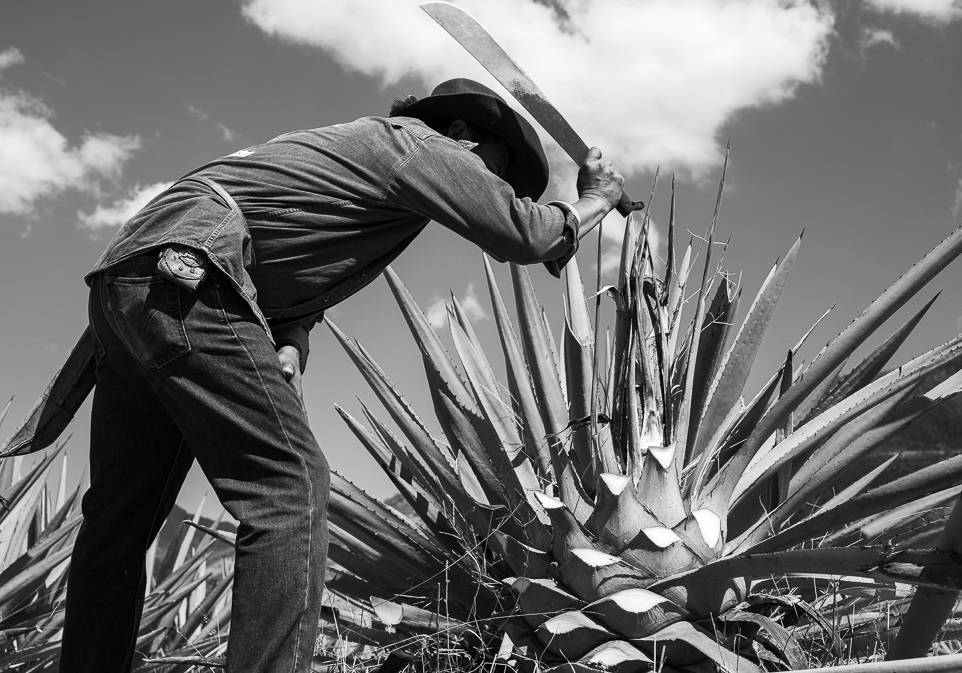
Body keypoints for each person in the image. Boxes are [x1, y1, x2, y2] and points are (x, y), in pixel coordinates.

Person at [59, 78, 625, 672]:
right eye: (495, 170)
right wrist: (598, 199)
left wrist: (293, 343)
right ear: (462, 135)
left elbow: (295, 245)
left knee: (117, 525)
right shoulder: (419, 148)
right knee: (290, 489)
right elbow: (527, 234)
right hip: (193, 274)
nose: (491, 186)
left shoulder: (354, 153)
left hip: (134, 283)